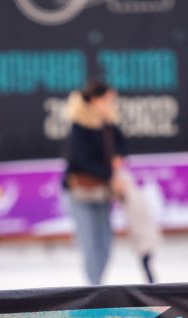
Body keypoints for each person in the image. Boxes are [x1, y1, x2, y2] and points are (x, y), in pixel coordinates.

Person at [62, 81, 127, 285]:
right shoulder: (79, 126)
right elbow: (83, 161)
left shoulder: (108, 126)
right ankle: (94, 289)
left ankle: (98, 285)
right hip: (80, 193)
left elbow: (122, 147)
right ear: (95, 100)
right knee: (89, 243)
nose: (111, 104)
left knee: (105, 243)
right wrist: (110, 175)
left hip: (102, 193)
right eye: (108, 100)